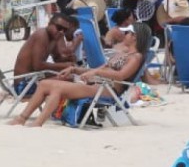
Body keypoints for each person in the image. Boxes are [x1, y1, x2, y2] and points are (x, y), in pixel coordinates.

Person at [10, 22, 148, 127]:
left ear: (134, 37)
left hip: (107, 90)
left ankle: (37, 123)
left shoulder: (135, 57)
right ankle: (22, 118)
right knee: (44, 84)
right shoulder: (122, 54)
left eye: (127, 33)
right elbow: (100, 68)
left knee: (57, 88)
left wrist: (97, 72)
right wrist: (74, 70)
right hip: (98, 85)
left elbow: (121, 76)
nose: (124, 35)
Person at [12, 11, 78, 79]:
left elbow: (57, 59)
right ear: (49, 24)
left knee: (70, 74)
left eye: (65, 30)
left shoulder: (54, 38)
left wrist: (67, 59)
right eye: (59, 28)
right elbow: (38, 65)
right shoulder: (41, 35)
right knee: (69, 78)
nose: (61, 32)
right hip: (24, 83)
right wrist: (64, 65)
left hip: (35, 77)